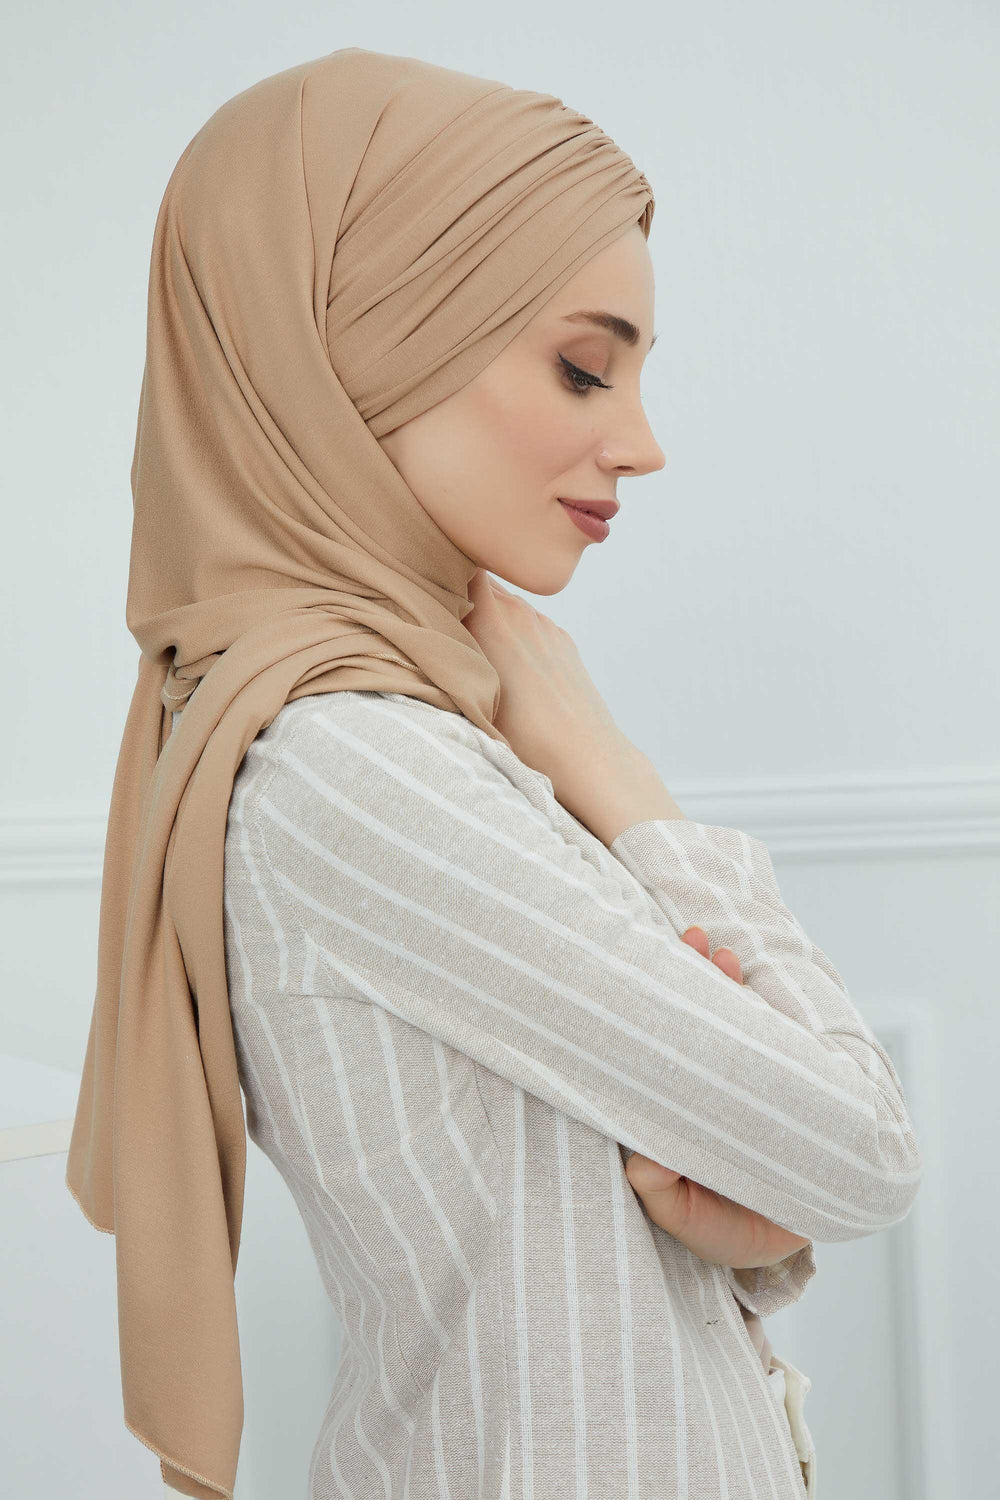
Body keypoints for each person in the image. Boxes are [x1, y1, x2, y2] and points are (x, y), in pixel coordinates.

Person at [65, 46, 921, 1500]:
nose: (640, 443)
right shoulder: (355, 764)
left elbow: (578, 1217)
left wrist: (756, 1228)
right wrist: (620, 780)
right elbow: (864, 1147)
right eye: (585, 366)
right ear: (358, 348)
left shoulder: (396, 730)